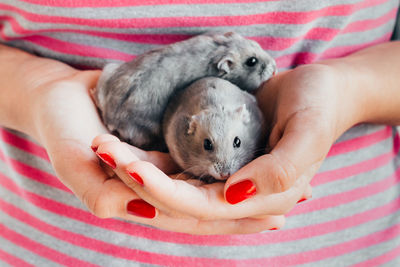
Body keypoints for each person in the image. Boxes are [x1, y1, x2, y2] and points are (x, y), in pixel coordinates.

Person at [0, 0, 399, 265]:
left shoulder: (243, 104)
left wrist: (348, 91)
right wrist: (39, 93)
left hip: (343, 247)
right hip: (52, 245)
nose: (226, 169)